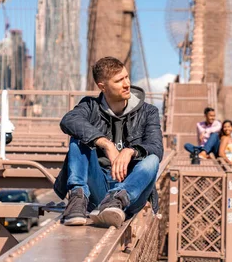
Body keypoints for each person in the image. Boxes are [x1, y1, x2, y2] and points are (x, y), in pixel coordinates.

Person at [53, 57, 163, 228]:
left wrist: (130, 151)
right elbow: (68, 120)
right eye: (119, 80)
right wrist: (105, 143)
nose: (127, 84)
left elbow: (156, 146)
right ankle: (78, 197)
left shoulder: (148, 112)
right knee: (79, 137)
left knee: (153, 160)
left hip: (129, 193)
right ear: (102, 86)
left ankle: (116, 199)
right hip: (99, 186)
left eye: (126, 77)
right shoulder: (90, 107)